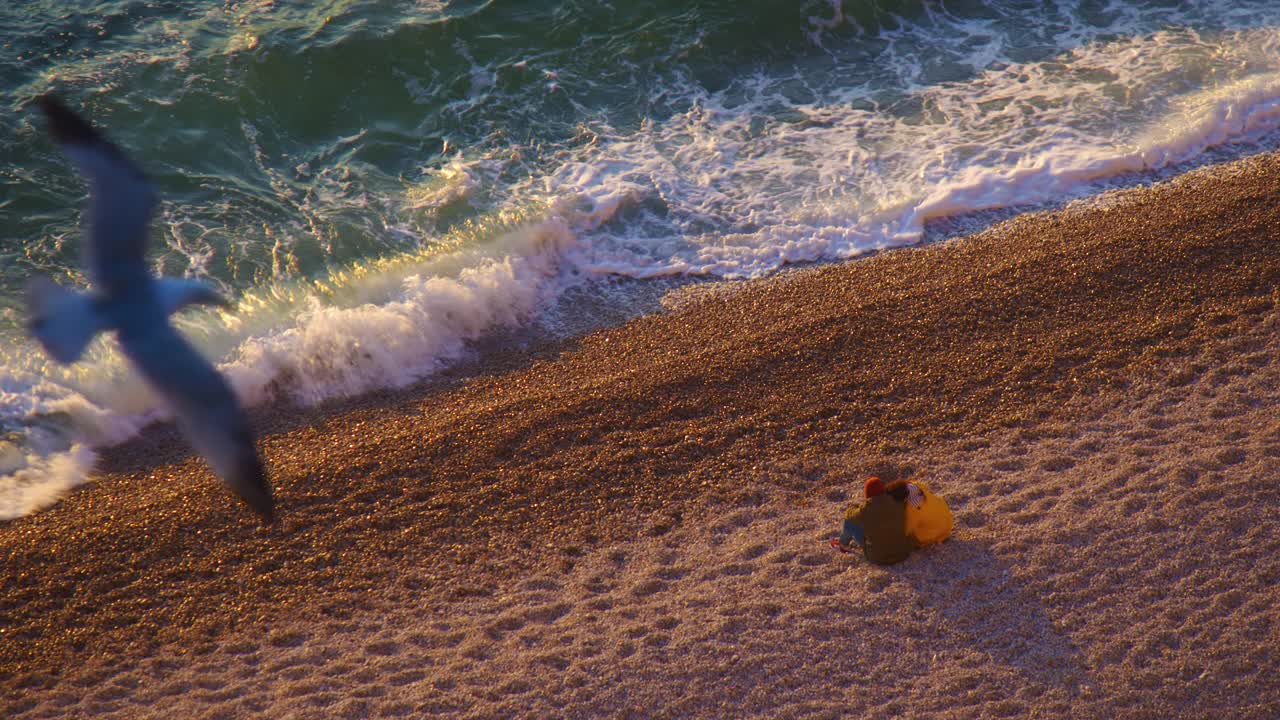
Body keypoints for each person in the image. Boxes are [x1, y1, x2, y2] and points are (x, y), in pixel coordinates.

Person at [831, 476, 917, 565]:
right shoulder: (897, 502)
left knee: (849, 523)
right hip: (902, 553)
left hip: (878, 558)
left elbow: (849, 515)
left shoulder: (865, 510)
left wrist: (854, 507)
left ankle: (843, 544)